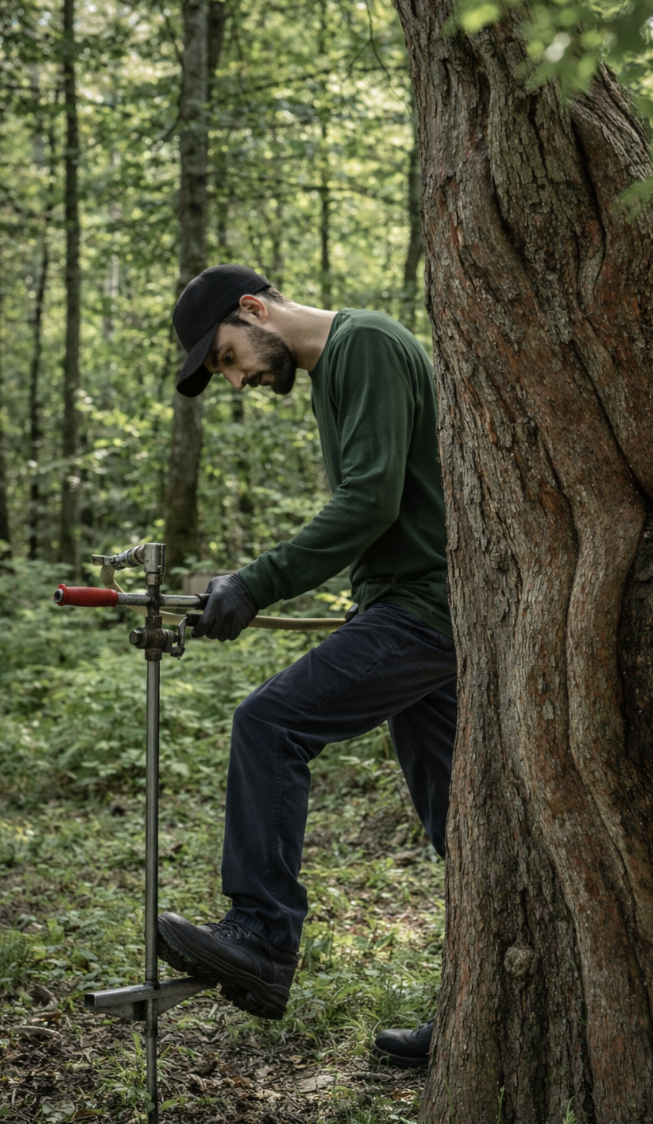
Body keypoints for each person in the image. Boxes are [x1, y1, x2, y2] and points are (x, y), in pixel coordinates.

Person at [158, 264, 456, 1068]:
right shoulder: (336, 371)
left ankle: (260, 937)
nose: (237, 380)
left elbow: (370, 502)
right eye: (224, 372)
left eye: (225, 358)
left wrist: (257, 582)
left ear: (253, 310)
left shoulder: (365, 346)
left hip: (425, 613)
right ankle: (482, 1013)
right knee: (462, 825)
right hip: (413, 608)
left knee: (269, 722)